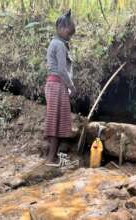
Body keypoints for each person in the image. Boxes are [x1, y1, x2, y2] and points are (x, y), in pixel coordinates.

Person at [44, 9, 76, 164]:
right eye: (69, 34)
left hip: (52, 84)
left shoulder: (54, 43)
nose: (69, 37)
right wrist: (72, 86)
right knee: (56, 122)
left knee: (54, 120)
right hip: (57, 85)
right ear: (62, 29)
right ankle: (51, 158)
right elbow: (62, 70)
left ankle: (52, 156)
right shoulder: (60, 45)